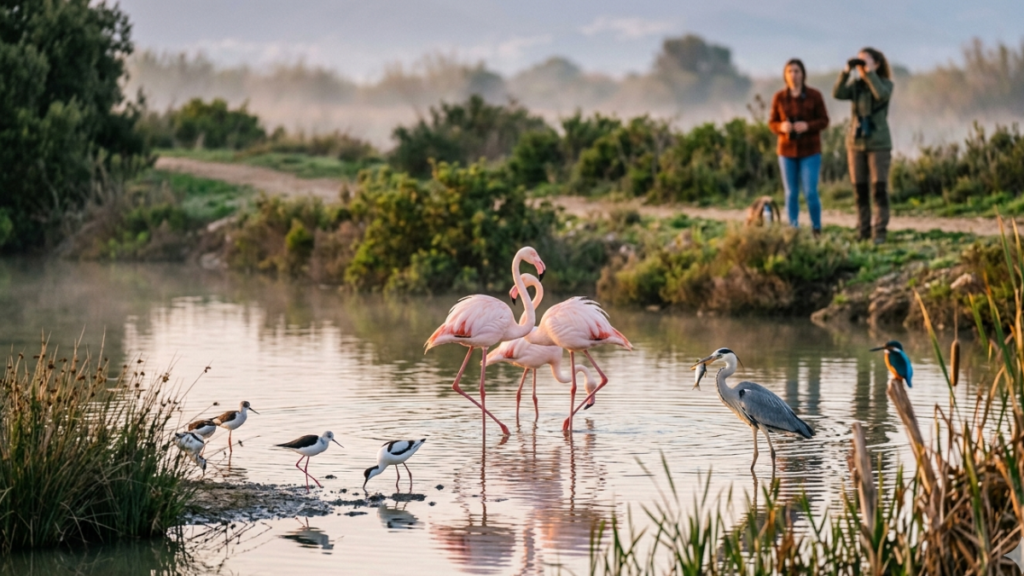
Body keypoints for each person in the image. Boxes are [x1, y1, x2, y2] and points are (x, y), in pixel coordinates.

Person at [834, 47, 894, 243]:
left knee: (879, 189)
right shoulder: (856, 86)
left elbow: (881, 95)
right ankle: (863, 229)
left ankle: (880, 231)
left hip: (879, 143)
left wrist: (869, 73)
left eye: (865, 61)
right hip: (856, 143)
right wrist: (846, 71)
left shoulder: (886, 84)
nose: (861, 65)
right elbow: (838, 93)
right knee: (859, 190)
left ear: (876, 63)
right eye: (859, 61)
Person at [768, 59, 830, 236]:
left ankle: (816, 228)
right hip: (786, 151)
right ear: (785, 75)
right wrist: (781, 127)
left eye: (796, 71)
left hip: (810, 150)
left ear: (803, 74)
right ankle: (793, 228)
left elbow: (824, 121)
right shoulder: (779, 97)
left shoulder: (814, 95)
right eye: (790, 71)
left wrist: (807, 126)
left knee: (810, 192)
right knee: (791, 193)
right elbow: (772, 122)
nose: (793, 75)